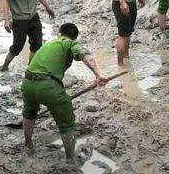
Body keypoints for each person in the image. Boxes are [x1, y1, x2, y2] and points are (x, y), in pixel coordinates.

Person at [21, 23, 106, 161]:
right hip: (49, 86)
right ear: (74, 38)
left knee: (29, 113)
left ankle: (28, 144)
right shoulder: (70, 43)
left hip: (27, 82)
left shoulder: (49, 44)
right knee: (67, 125)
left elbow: (32, 64)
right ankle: (70, 160)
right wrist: (98, 75)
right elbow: (86, 56)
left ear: (59, 33)